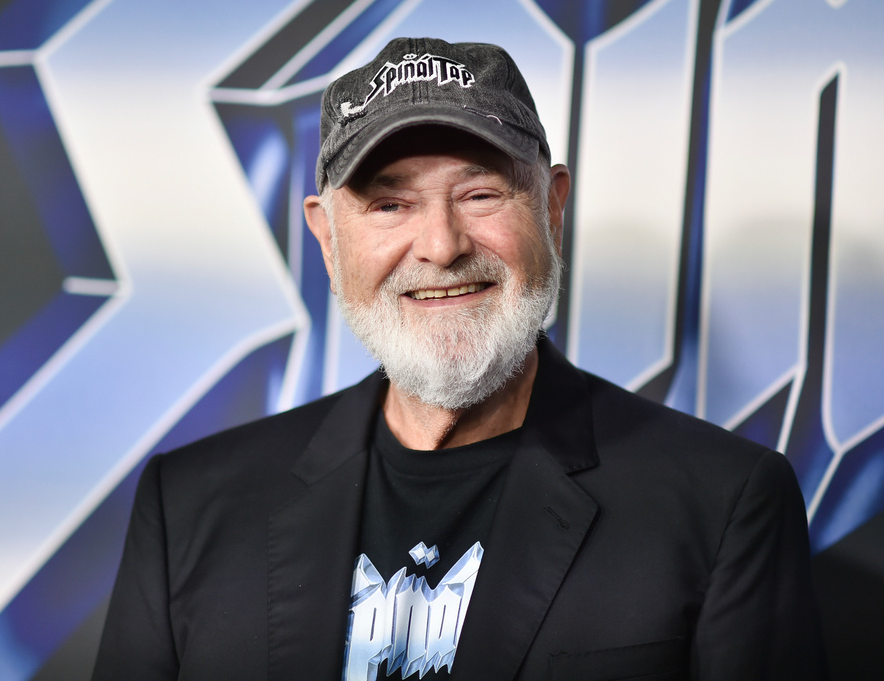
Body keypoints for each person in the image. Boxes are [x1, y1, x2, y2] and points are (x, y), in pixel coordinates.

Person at [92, 37, 825, 680]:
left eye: (480, 193)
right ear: (326, 236)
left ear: (553, 209)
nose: (441, 245)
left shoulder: (723, 503)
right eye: (390, 205)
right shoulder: (189, 505)